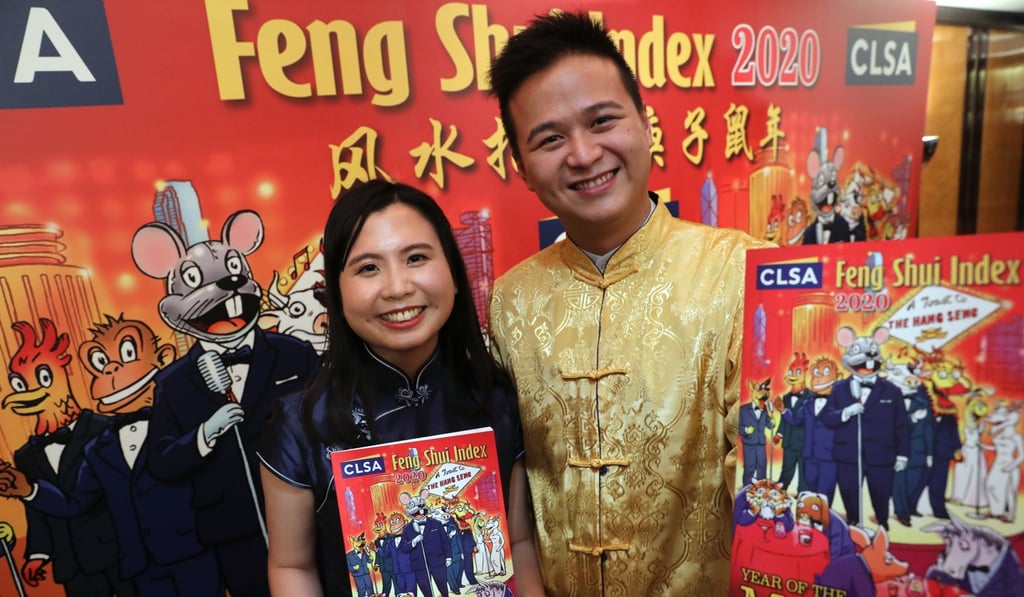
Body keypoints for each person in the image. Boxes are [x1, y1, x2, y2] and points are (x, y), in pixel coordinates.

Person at [486, 12, 770, 594]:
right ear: (521, 166)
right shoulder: (511, 300)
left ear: (644, 124)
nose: (584, 154)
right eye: (550, 138)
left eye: (602, 121)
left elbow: (770, 469)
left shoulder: (742, 270)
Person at [257, 180, 543, 596]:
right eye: (368, 267)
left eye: (416, 258)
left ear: (453, 272)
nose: (397, 288)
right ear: (336, 291)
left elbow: (516, 543)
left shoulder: (496, 396)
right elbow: (291, 567)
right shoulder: (300, 424)